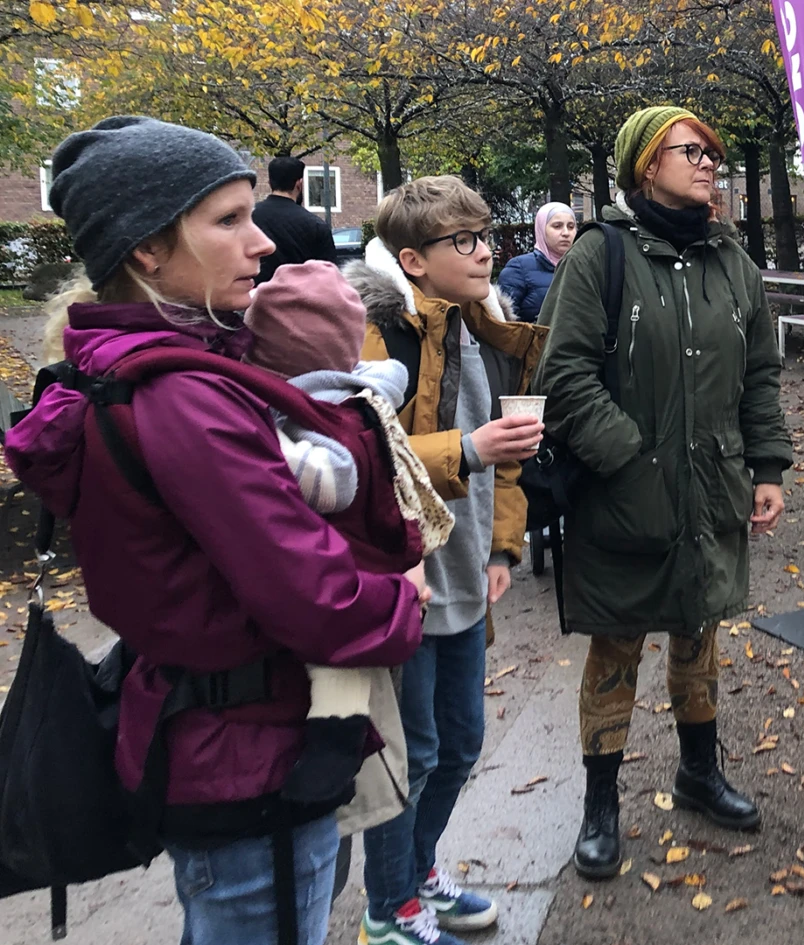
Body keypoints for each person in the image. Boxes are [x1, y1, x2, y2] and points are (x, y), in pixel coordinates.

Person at [4, 116, 425, 945]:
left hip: (214, 740)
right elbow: (317, 598)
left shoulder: (143, 372)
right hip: (248, 763)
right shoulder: (187, 400)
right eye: (227, 220)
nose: (261, 242)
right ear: (146, 250)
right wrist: (404, 597)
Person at [536, 105, 793, 883]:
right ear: (647, 164)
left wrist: (770, 467)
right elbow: (565, 375)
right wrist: (631, 459)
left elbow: (760, 375)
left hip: (710, 489)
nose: (710, 162)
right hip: (624, 492)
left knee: (698, 632)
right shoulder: (600, 256)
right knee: (617, 641)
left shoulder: (733, 261)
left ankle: (698, 773)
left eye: (713, 151)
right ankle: (600, 806)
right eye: (693, 150)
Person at [342, 176, 548, 945]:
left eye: (487, 234)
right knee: (412, 752)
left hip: (466, 568)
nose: (486, 249)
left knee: (460, 742)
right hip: (405, 575)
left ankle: (418, 871)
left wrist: (504, 543)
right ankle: (387, 907)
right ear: (413, 259)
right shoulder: (375, 328)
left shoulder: (488, 325)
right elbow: (361, 454)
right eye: (464, 240)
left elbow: (510, 459)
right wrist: (465, 448)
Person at [242, 260, 455, 808]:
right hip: (365, 559)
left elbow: (334, 479)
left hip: (355, 564)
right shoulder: (361, 390)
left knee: (340, 660)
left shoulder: (338, 407)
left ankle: (335, 741)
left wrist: (263, 448)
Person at [252, 155, 337, 285]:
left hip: (255, 300)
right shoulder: (316, 225)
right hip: (301, 302)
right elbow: (330, 278)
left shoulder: (249, 218)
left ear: (270, 183)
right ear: (299, 184)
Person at [498, 202, 577, 323]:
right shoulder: (519, 268)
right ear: (541, 229)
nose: (566, 233)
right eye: (557, 226)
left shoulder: (582, 267)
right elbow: (505, 324)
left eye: (571, 227)